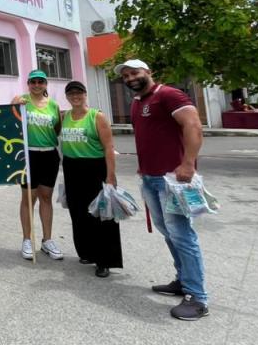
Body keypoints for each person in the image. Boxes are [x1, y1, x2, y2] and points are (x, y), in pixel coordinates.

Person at [115, 59, 209, 321]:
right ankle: (183, 280)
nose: (130, 78)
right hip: (150, 178)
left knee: (182, 234)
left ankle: (197, 297)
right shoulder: (137, 103)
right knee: (169, 232)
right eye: (125, 76)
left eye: (135, 72)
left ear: (148, 73)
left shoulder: (168, 94)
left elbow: (193, 125)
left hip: (172, 179)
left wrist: (188, 163)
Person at [59, 80, 122, 278]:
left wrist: (111, 176)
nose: (75, 96)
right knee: (78, 213)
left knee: (100, 214)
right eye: (71, 94)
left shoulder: (97, 117)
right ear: (67, 97)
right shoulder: (64, 116)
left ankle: (104, 260)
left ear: (85, 94)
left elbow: (108, 148)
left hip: (94, 168)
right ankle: (86, 252)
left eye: (79, 93)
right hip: (71, 168)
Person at [11, 70, 64, 260]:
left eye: (40, 81)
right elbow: (10, 121)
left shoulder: (54, 105)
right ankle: (27, 239)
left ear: (45, 84)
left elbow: (56, 130)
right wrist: (15, 105)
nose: (36, 85)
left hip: (49, 155)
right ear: (28, 83)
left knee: (46, 197)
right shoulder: (20, 100)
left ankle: (47, 240)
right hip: (27, 155)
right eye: (33, 81)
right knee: (28, 197)